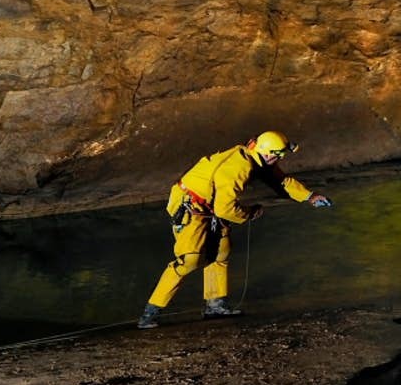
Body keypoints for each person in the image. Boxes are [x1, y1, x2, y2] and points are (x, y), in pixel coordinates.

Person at [138, 130, 331, 329]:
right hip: (190, 205)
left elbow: (280, 181)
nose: (280, 158)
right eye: (279, 155)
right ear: (267, 152)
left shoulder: (258, 158)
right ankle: (150, 313)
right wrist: (249, 213)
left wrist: (309, 196)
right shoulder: (239, 167)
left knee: (221, 251)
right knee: (190, 259)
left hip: (210, 205)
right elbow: (226, 209)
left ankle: (215, 305)